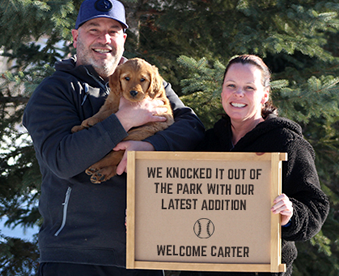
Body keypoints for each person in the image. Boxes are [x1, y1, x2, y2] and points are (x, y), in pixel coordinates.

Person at [22, 0, 204, 275]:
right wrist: (126, 119)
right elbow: (62, 160)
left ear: (123, 38)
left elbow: (192, 130)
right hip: (76, 257)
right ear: (75, 37)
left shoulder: (150, 81)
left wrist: (148, 145)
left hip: (146, 252)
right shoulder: (57, 90)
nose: (103, 39)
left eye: (113, 31)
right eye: (93, 29)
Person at [180, 55, 329, 276]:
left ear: (264, 96)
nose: (238, 93)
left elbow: (316, 208)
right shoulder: (208, 141)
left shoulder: (286, 142)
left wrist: (290, 214)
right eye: (231, 85)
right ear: (222, 92)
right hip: (204, 269)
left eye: (249, 87)